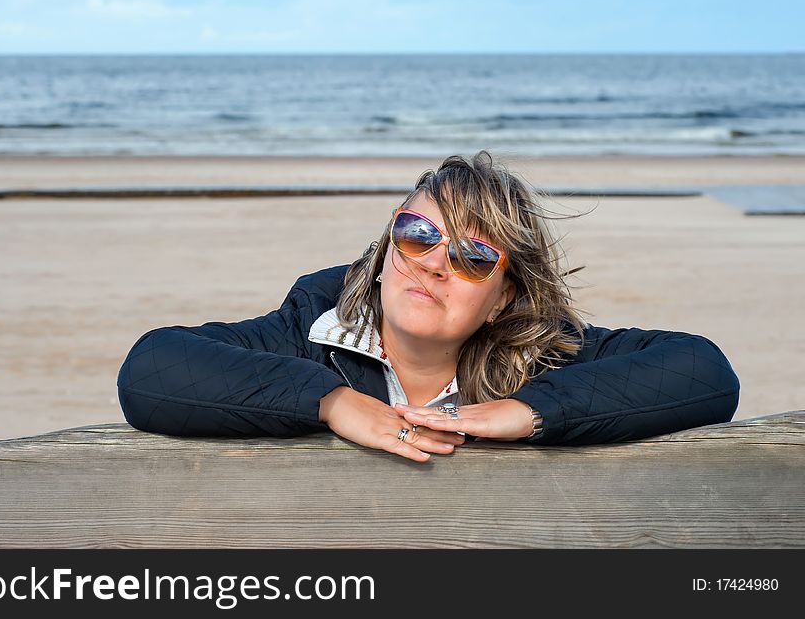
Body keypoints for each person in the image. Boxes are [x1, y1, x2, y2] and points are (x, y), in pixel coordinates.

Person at [117, 151, 740, 463]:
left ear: (504, 299)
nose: (435, 262)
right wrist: (332, 402)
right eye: (419, 233)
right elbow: (151, 367)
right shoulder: (309, 324)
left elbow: (703, 369)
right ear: (391, 241)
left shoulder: (546, 352)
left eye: (474, 256)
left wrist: (530, 410)